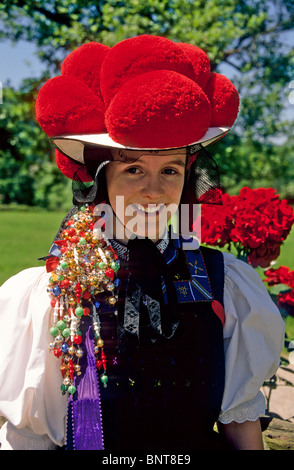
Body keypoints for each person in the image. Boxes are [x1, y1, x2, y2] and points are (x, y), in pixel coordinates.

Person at [0, 35, 285, 451]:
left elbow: (239, 419)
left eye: (170, 170)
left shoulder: (224, 280)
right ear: (102, 180)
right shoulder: (50, 292)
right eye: (133, 169)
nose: (154, 191)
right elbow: (28, 438)